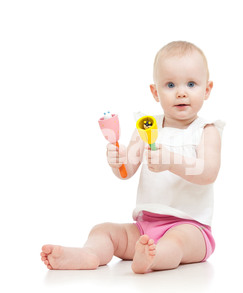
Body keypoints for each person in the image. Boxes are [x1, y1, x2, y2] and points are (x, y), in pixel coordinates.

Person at [40, 41, 224, 274]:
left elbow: (208, 173)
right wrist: (117, 161)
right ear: (155, 92)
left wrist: (171, 161)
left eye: (191, 84)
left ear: (207, 90)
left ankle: (152, 260)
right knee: (103, 230)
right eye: (170, 84)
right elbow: (126, 172)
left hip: (191, 228)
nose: (181, 92)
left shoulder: (207, 131)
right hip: (145, 227)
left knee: (175, 243)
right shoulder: (146, 127)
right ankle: (90, 254)